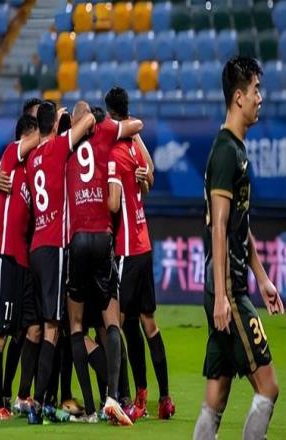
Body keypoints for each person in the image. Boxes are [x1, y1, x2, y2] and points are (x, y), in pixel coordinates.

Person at [193, 56, 283, 440]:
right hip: (228, 288)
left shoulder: (235, 149)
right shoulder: (227, 152)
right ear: (238, 97)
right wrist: (222, 296)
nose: (260, 98)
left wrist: (262, 277)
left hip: (229, 284)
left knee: (217, 392)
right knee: (268, 387)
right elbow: (219, 227)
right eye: (256, 90)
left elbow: (239, 226)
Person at [66, 100, 142, 424]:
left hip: (76, 239)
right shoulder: (106, 136)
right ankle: (113, 396)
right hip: (102, 237)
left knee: (76, 326)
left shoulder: (65, 145)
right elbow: (136, 125)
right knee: (112, 322)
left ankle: (89, 407)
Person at [106, 86, 175, 420]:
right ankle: (165, 398)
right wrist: (145, 178)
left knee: (118, 322)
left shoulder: (113, 151)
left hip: (127, 249)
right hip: (144, 243)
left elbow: (112, 203)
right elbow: (149, 175)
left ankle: (132, 398)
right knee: (147, 322)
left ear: (109, 115)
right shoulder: (134, 145)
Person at [25, 101, 96, 424]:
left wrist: (53, 120)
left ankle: (45, 399)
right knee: (53, 329)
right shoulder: (56, 148)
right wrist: (67, 117)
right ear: (53, 124)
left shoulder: (32, 158)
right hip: (55, 246)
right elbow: (89, 119)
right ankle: (38, 404)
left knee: (47, 327)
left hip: (36, 247)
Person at [0, 114, 41, 419]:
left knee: (31, 330)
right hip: (6, 258)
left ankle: (20, 395)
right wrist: (52, 127)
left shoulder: (31, 174)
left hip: (24, 263)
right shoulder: (11, 154)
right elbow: (34, 139)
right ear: (25, 136)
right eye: (34, 135)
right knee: (1, 334)